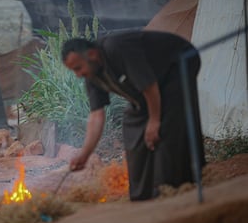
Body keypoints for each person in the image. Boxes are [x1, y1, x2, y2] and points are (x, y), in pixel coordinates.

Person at [61, 31, 206, 201]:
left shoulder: (116, 48)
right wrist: (84, 155)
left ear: (92, 54)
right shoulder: (91, 74)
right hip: (150, 88)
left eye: (78, 68)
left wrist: (154, 120)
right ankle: (142, 196)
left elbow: (149, 85)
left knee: (165, 127)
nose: (78, 74)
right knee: (132, 126)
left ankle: (170, 191)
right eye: (74, 71)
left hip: (178, 63)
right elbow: (96, 115)